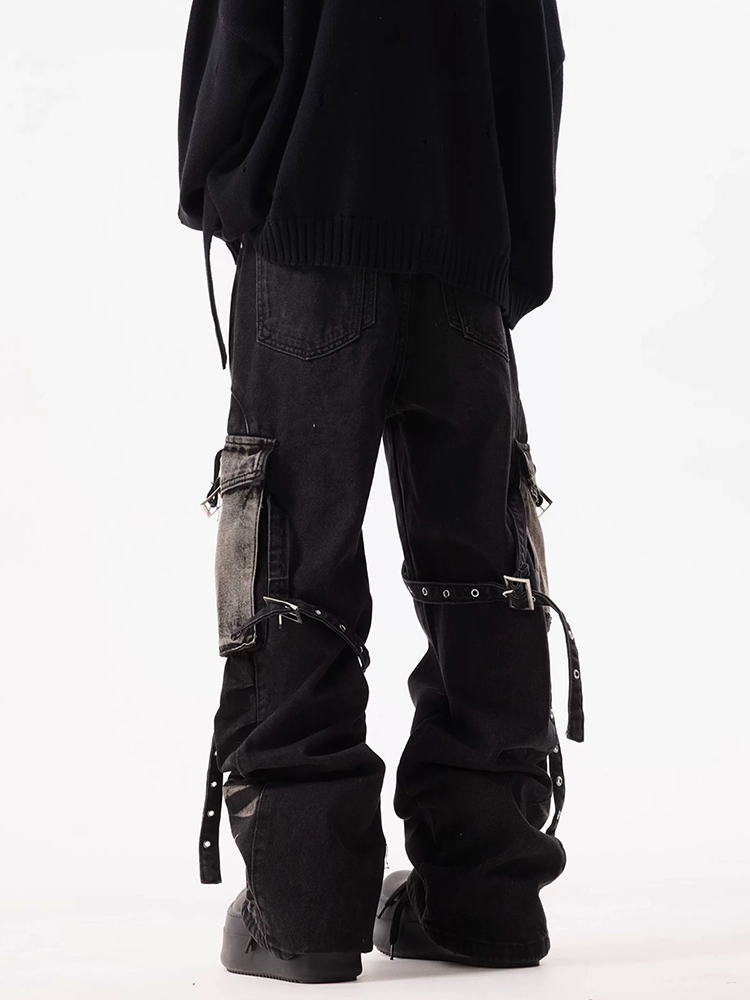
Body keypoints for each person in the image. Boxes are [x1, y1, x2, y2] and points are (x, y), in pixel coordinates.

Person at [177, 0, 583, 984]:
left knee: (293, 562)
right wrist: (510, 263)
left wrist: (226, 195)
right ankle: (483, 899)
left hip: (310, 235)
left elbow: (239, 39)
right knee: (482, 570)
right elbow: (535, 63)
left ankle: (303, 906)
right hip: (465, 247)